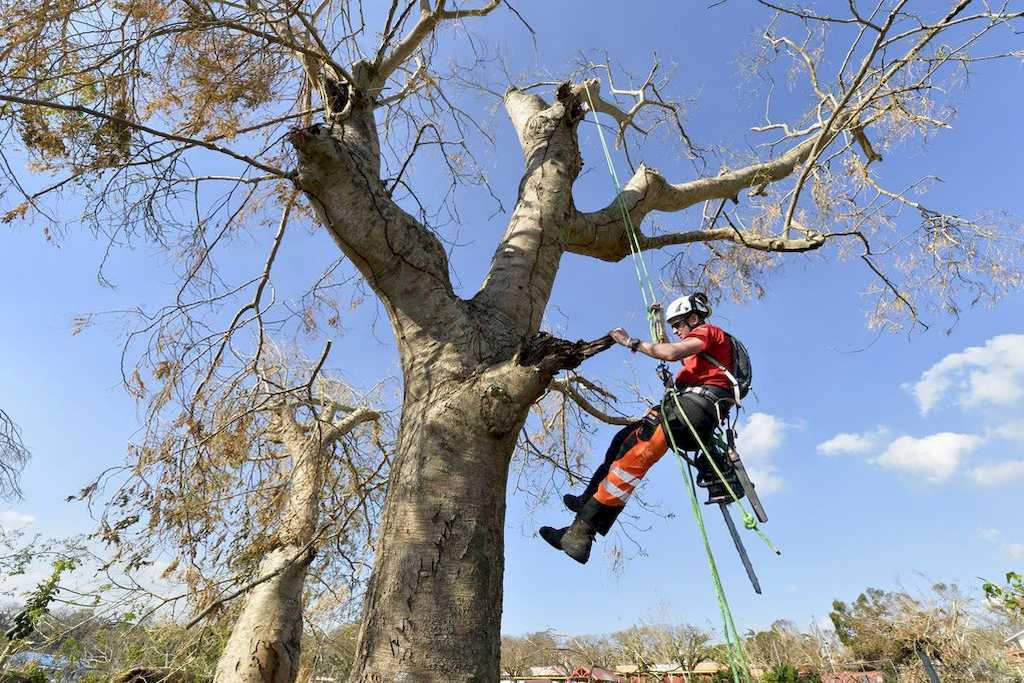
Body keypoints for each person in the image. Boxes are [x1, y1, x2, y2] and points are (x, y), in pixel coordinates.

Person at [539, 292, 742, 565]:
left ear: (695, 318)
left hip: (692, 411)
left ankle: (580, 533)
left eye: (679, 324)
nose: (677, 331)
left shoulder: (707, 332)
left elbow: (670, 353)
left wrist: (630, 342)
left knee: (631, 460)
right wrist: (657, 321)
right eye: (673, 327)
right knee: (623, 440)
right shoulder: (704, 352)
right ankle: (586, 503)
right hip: (688, 409)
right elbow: (666, 346)